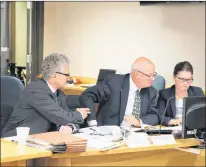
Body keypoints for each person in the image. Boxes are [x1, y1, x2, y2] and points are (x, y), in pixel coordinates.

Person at [2, 53, 90, 137]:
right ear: (54, 75)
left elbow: (66, 117)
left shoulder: (59, 94)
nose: (69, 78)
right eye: (67, 75)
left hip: (41, 139)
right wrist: (80, 114)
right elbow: (60, 116)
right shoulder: (35, 90)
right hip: (16, 140)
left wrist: (70, 127)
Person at [79, 57, 160, 127]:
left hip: (134, 134)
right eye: (150, 75)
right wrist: (92, 121)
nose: (153, 79)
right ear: (137, 74)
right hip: (108, 133)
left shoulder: (151, 91)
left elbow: (154, 115)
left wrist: (138, 122)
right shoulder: (114, 82)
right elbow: (87, 95)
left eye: (154, 74)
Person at [158, 61, 204, 126]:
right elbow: (159, 116)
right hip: (172, 128)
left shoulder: (197, 92)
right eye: (182, 79)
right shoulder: (164, 94)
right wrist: (175, 121)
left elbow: (202, 114)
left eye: (189, 79)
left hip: (192, 128)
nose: (185, 83)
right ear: (174, 77)